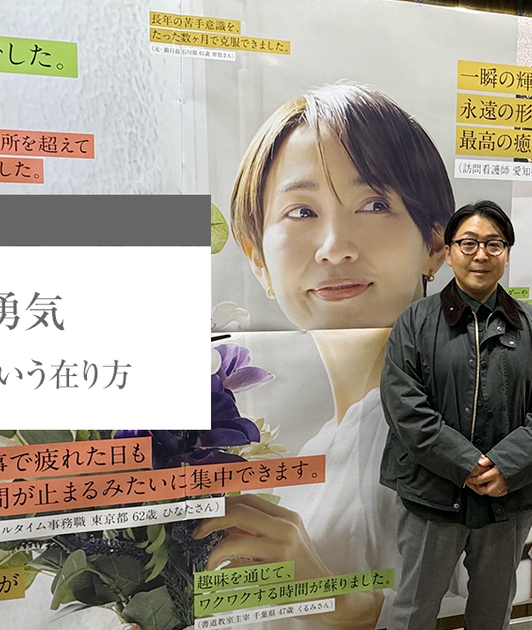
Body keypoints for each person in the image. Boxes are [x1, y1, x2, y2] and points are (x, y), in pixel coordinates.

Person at [192, 83, 454, 629]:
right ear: (258, 259)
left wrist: (337, 605)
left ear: (435, 244)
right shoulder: (324, 445)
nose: (335, 246)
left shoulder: (448, 422)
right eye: (301, 211)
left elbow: (512, 604)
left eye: (375, 204)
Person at [379, 200, 532, 630]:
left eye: (493, 244)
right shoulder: (415, 322)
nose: (480, 254)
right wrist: (466, 463)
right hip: (432, 493)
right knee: (413, 610)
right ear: (448, 253)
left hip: (509, 495)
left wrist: (507, 466)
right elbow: (405, 407)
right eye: (468, 243)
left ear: (506, 253)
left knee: (493, 609)